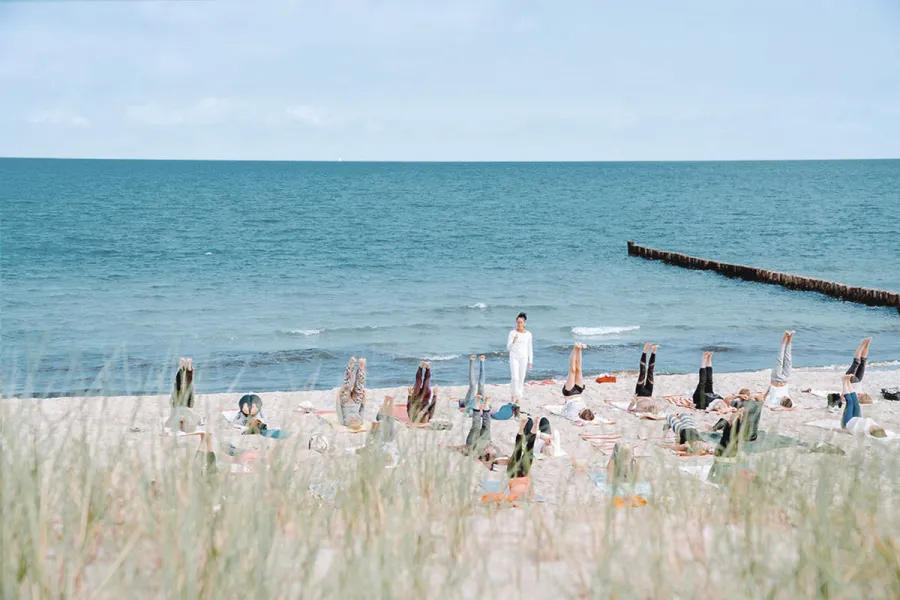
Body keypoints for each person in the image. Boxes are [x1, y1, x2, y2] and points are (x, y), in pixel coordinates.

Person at [841, 373, 887, 438]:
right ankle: (848, 381)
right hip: (857, 417)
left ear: (871, 431)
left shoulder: (865, 431)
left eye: (873, 428)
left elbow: (849, 432)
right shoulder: (875, 426)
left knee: (850, 402)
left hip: (848, 423)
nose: (874, 426)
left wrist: (835, 430)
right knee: (856, 402)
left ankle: (844, 381)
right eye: (876, 427)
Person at [560, 344, 596, 422]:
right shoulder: (587, 412)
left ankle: (574, 348)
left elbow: (568, 415)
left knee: (572, 370)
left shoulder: (574, 415)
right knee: (579, 369)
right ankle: (579, 349)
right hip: (579, 392)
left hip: (569, 393)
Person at [465, 395, 500, 466]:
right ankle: (486, 403)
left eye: (490, 449)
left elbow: (472, 456)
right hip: (485, 439)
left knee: (476, 426)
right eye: (491, 448)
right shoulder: (496, 451)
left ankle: (477, 401)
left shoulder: (478, 453)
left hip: (473, 442)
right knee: (487, 426)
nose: (490, 447)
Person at [165, 358, 198, 432]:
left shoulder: (176, 420)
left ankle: (183, 365)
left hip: (180, 404)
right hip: (183, 404)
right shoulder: (188, 420)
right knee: (186, 383)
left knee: (181, 382)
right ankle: (184, 366)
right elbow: (191, 404)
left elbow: (172, 402)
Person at [507, 312, 533, 403]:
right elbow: (508, 348)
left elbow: (530, 348)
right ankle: (513, 395)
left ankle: (518, 397)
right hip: (514, 357)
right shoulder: (512, 333)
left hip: (524, 358)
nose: (519, 324)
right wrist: (513, 341)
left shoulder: (528, 334)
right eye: (518, 322)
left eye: (521, 322)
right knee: (515, 378)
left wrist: (530, 361)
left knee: (521, 378)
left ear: (524, 323)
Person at [764, 331, 794, 408]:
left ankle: (784, 338)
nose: (786, 398)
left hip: (776, 378)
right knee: (788, 358)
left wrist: (764, 395)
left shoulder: (774, 401)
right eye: (787, 399)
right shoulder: (788, 400)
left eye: (785, 399)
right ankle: (789, 338)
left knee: (780, 358)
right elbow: (793, 407)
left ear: (782, 402)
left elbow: (769, 391)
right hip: (785, 378)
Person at [336, 357, 367, 429]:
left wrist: (338, 398)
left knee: (347, 385)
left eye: (353, 421)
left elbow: (339, 410)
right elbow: (362, 409)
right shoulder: (360, 421)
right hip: (356, 402)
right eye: (356, 420)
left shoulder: (343, 422)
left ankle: (350, 365)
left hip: (345, 402)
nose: (354, 419)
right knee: (360, 387)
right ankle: (361, 366)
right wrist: (364, 398)